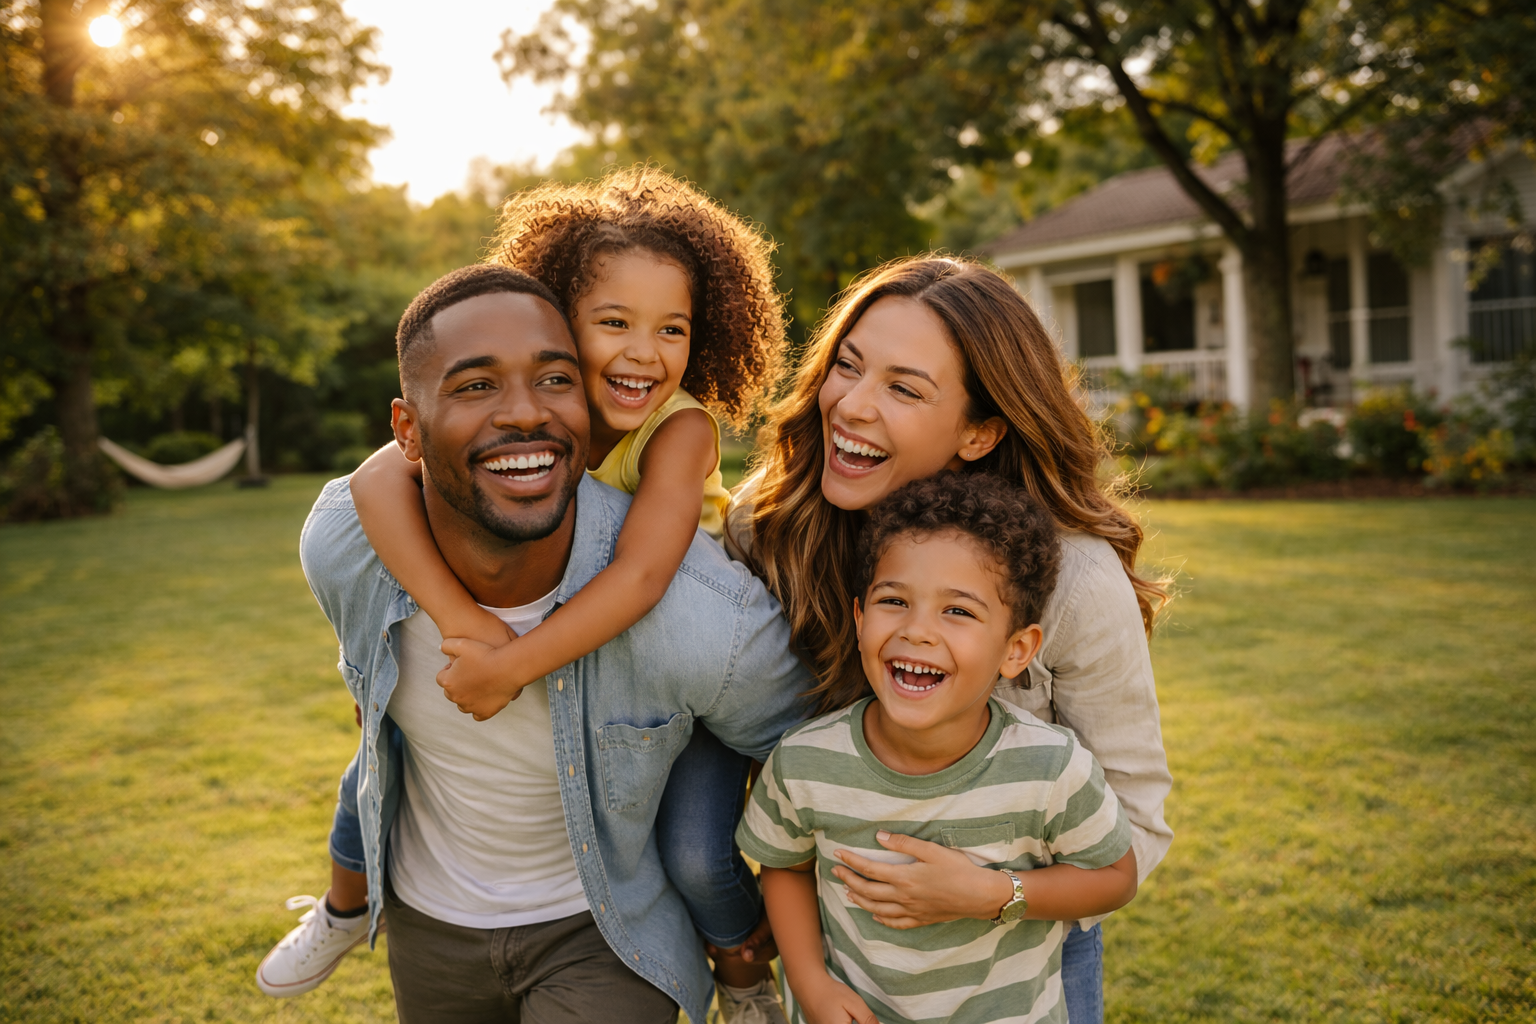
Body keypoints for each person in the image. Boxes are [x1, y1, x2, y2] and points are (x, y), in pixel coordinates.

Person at [258, 170, 791, 1021]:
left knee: (697, 851)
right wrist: (458, 618)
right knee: (370, 766)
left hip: (676, 667)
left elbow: (643, 575)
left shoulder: (680, 429)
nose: (643, 352)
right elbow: (373, 481)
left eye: (673, 329)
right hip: (444, 917)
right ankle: (343, 908)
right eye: (612, 323)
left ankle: (742, 969)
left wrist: (512, 664)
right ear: (562, 324)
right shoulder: (520, 422)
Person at [726, 256, 1174, 1024]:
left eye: (904, 388)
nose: (852, 406)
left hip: (1020, 959)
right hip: (839, 944)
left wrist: (994, 896)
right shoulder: (767, 531)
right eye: (848, 366)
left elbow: (1134, 822)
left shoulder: (1075, 580)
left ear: (978, 432)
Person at [739, 473, 1138, 1024]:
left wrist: (993, 894)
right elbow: (784, 864)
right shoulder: (805, 761)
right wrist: (810, 983)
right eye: (894, 600)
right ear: (859, 620)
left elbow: (1115, 877)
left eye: (958, 611)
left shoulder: (1051, 768)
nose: (918, 631)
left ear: (1017, 649)